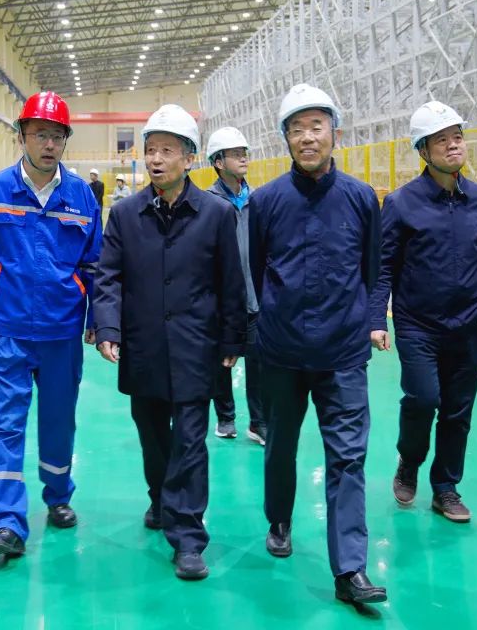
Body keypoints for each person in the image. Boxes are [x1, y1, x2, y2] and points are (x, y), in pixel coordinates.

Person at [94, 104, 246, 581]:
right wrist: (108, 328)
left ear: (189, 158)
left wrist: (232, 338)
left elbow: (231, 281)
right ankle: (160, 497)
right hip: (144, 346)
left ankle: (189, 536)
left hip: (197, 347)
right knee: (154, 435)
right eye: (151, 150)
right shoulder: (125, 215)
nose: (156, 159)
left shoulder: (216, 214)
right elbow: (108, 277)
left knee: (191, 442)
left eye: (167, 150)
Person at [249, 84, 387, 604]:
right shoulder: (266, 201)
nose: (307, 137)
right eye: (296, 129)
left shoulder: (360, 198)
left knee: (348, 458)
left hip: (343, 353)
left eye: (316, 127)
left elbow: (372, 269)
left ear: (335, 133)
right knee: (281, 445)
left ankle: (350, 569)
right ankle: (279, 519)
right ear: (285, 139)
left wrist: (369, 322)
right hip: (281, 351)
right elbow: (255, 271)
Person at [0, 91, 102, 558]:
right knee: (5, 423)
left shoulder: (81, 195)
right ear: (22, 136)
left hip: (62, 329)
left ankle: (58, 496)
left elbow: (94, 265)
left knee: (59, 421)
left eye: (57, 135)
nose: (49, 143)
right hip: (8, 329)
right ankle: (7, 521)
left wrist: (97, 319)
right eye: (40, 134)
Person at [370, 100, 477, 523]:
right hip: (418, 325)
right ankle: (409, 461)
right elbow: (383, 265)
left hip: (466, 326)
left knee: (457, 410)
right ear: (423, 150)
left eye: (457, 137)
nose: (453, 145)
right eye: (441, 140)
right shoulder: (401, 203)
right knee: (423, 398)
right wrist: (376, 319)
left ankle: (445, 487)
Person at [205, 126, 266, 444]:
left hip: (255, 297)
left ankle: (258, 422)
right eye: (236, 154)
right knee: (222, 363)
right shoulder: (208, 203)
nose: (244, 158)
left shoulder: (258, 200)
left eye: (245, 153)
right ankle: (225, 417)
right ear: (218, 162)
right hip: (220, 300)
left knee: (259, 363)